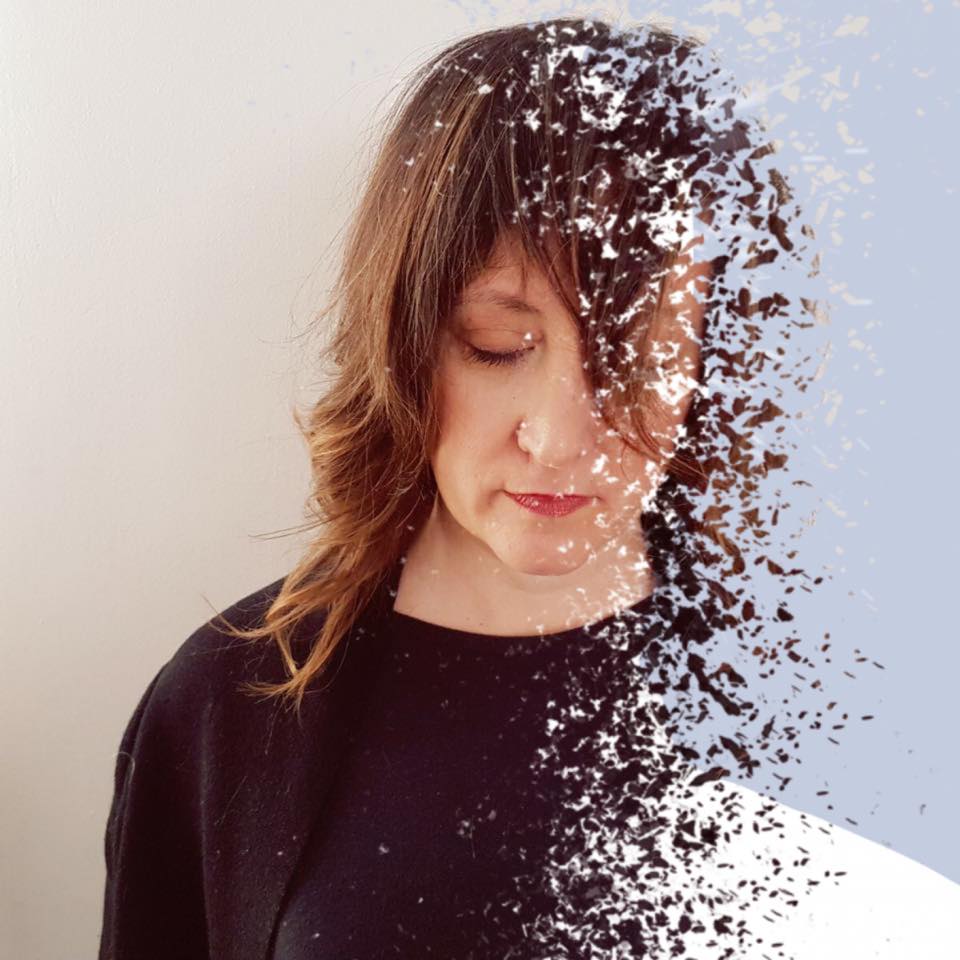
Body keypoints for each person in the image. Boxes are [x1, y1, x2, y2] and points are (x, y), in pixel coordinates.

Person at [97, 17, 960, 960]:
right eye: (498, 345)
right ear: (406, 339)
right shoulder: (233, 704)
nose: (560, 438)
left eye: (641, 354)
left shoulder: (850, 706)